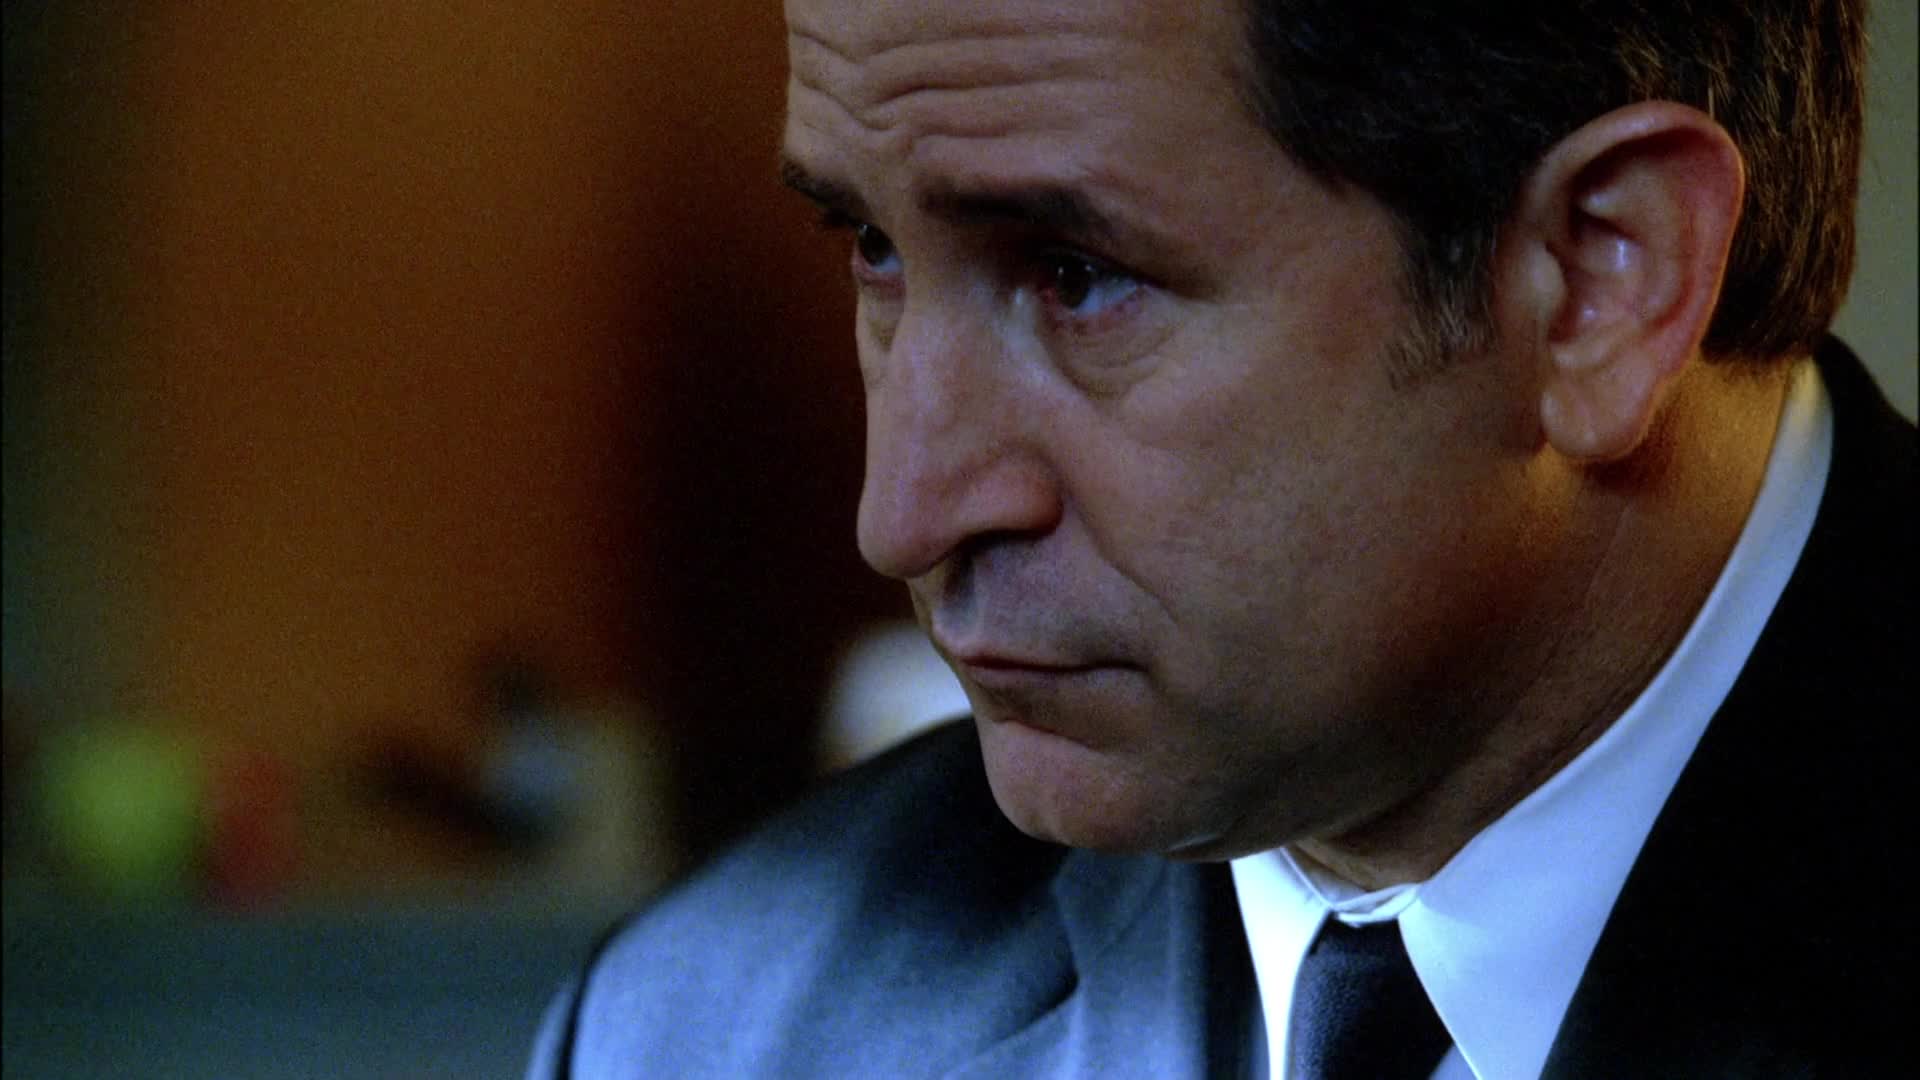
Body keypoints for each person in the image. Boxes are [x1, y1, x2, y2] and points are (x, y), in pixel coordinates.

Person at [529, 1, 1913, 1075]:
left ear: (1604, 273)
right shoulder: (699, 1030)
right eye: (872, 248)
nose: (902, 516)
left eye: (1078, 277)